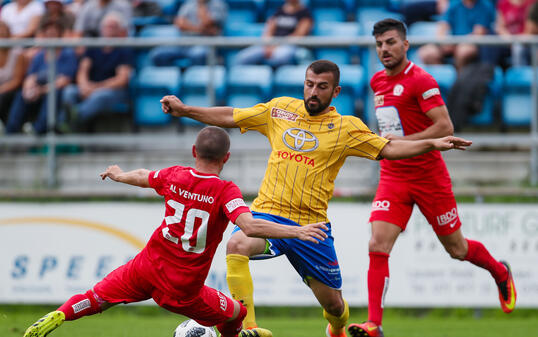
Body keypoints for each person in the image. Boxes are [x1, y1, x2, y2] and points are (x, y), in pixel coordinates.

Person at [160, 60, 472, 337]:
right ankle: (249, 330)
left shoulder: (346, 128)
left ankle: (336, 330)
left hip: (312, 228)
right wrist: (186, 110)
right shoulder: (279, 110)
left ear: (335, 93)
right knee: (237, 244)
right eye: (309, 84)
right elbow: (231, 115)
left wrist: (433, 143)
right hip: (268, 216)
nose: (313, 91)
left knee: (334, 305)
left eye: (322, 87)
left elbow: (388, 149)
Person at [22, 126, 329, 337]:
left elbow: (144, 176)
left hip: (145, 267)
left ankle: (61, 314)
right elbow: (249, 226)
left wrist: (118, 175)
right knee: (236, 315)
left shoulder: (175, 175)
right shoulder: (225, 190)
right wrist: (298, 232)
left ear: (194, 150)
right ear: (227, 158)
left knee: (97, 296)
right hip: (182, 289)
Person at [347, 19, 516, 337]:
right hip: (393, 176)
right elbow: (391, 131)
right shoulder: (376, 82)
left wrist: (401, 145)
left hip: (428, 178)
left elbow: (444, 127)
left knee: (457, 249)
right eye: (380, 44)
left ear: (405, 44)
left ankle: (499, 271)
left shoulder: (421, 80)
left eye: (391, 42)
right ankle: (374, 324)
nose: (385, 49)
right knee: (377, 244)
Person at [61, 12, 133, 132]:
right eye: (106, 26)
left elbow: (122, 79)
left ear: (119, 30)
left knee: (100, 96)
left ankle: (70, 120)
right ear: (101, 29)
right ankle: (70, 125)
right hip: (91, 87)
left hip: (112, 91)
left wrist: (96, 87)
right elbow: (83, 70)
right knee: (69, 91)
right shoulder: (93, 47)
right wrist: (84, 86)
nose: (109, 30)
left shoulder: (124, 50)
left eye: (113, 27)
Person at [5, 20, 77, 135]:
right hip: (39, 89)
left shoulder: (68, 54)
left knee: (53, 94)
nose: (51, 37)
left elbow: (64, 81)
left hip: (54, 91)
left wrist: (41, 91)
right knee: (21, 95)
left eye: (54, 35)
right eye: (48, 35)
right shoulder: (39, 55)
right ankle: (11, 133)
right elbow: (30, 77)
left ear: (60, 36)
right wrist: (28, 89)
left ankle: (38, 131)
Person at [418, 0, 496, 70]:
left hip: (472, 45)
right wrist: (443, 42)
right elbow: (442, 27)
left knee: (463, 51)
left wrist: (456, 43)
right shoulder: (454, 4)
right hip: (454, 43)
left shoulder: (485, 6)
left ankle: (460, 81)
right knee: (427, 52)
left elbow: (478, 34)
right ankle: (441, 79)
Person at [233, 0, 313, 67]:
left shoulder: (305, 13)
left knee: (278, 58)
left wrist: (276, 45)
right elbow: (269, 30)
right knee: (242, 57)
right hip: (271, 44)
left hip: (289, 46)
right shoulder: (279, 11)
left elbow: (299, 35)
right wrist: (268, 45)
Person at [148, 0, 228, 67]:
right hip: (184, 43)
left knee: (198, 54)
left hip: (205, 44)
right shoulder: (189, 4)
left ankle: (196, 81)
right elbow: (179, 23)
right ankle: (176, 77)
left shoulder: (218, 4)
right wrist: (201, 30)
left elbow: (206, 22)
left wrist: (201, 5)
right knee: (158, 54)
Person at [0, 21, 27, 132]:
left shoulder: (17, 54)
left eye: (3, 34)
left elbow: (17, 81)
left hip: (12, 90)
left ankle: (8, 131)